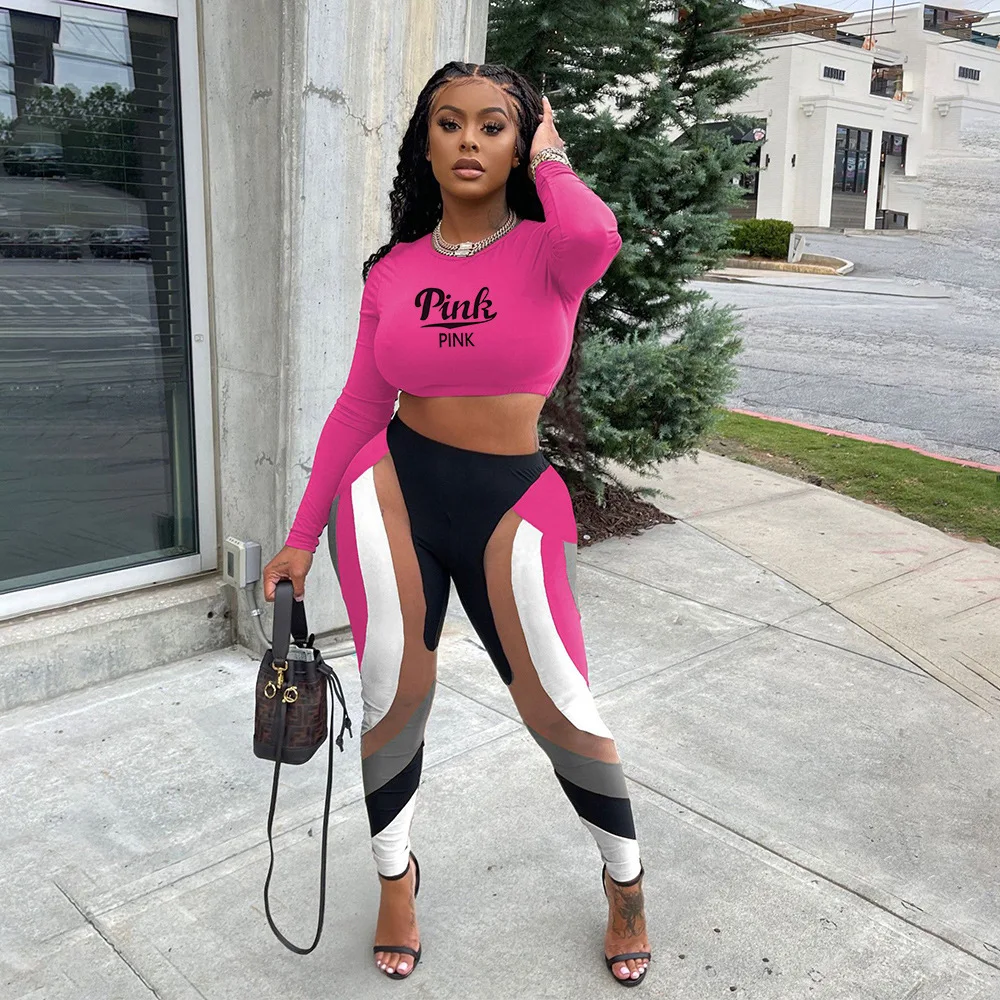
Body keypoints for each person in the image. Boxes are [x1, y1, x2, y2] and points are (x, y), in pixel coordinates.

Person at [262, 61, 651, 987]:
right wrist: (301, 536)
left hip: (513, 499)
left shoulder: (554, 251)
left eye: (493, 124)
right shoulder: (393, 271)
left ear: (519, 143)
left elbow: (598, 230)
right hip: (389, 488)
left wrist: (554, 155)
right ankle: (395, 879)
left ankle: (626, 883)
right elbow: (359, 407)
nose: (469, 140)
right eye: (449, 122)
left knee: (561, 703)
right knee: (393, 692)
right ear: (425, 143)